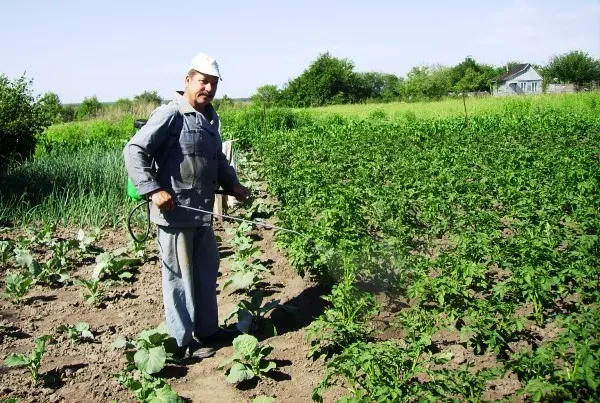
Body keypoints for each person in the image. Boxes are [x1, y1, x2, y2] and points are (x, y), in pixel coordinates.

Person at [123, 53, 250, 360]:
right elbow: (134, 150)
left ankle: (207, 330)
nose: (208, 88)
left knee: (206, 273)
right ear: (188, 80)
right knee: (179, 280)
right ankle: (182, 343)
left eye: (214, 83)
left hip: (203, 214)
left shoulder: (209, 118)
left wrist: (232, 183)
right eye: (203, 81)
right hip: (176, 215)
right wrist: (153, 189)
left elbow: (217, 158)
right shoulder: (171, 114)